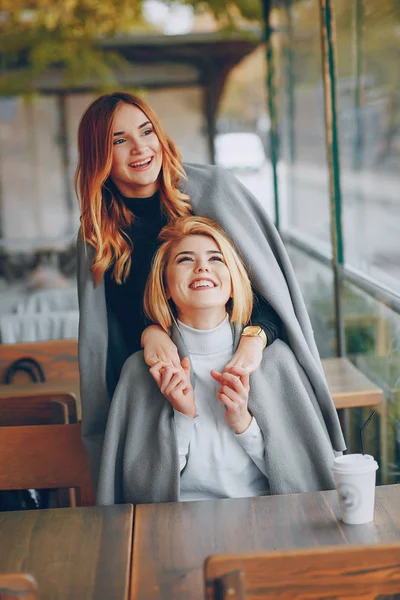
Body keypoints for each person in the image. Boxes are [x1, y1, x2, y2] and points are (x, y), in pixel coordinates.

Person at [76, 92, 345, 491]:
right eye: (119, 140)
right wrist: (148, 333)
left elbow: (268, 295)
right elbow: (113, 333)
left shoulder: (215, 191)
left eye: (146, 131)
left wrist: (255, 340)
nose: (139, 148)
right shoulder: (99, 234)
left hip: (244, 354)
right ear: (100, 154)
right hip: (162, 375)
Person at [97, 216, 337, 504]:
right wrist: (183, 417)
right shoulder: (140, 371)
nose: (202, 267)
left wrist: (243, 423)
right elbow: (141, 494)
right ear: (166, 286)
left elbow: (302, 481)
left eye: (216, 259)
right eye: (185, 259)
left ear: (234, 283)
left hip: (266, 520)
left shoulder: (276, 362)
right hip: (176, 528)